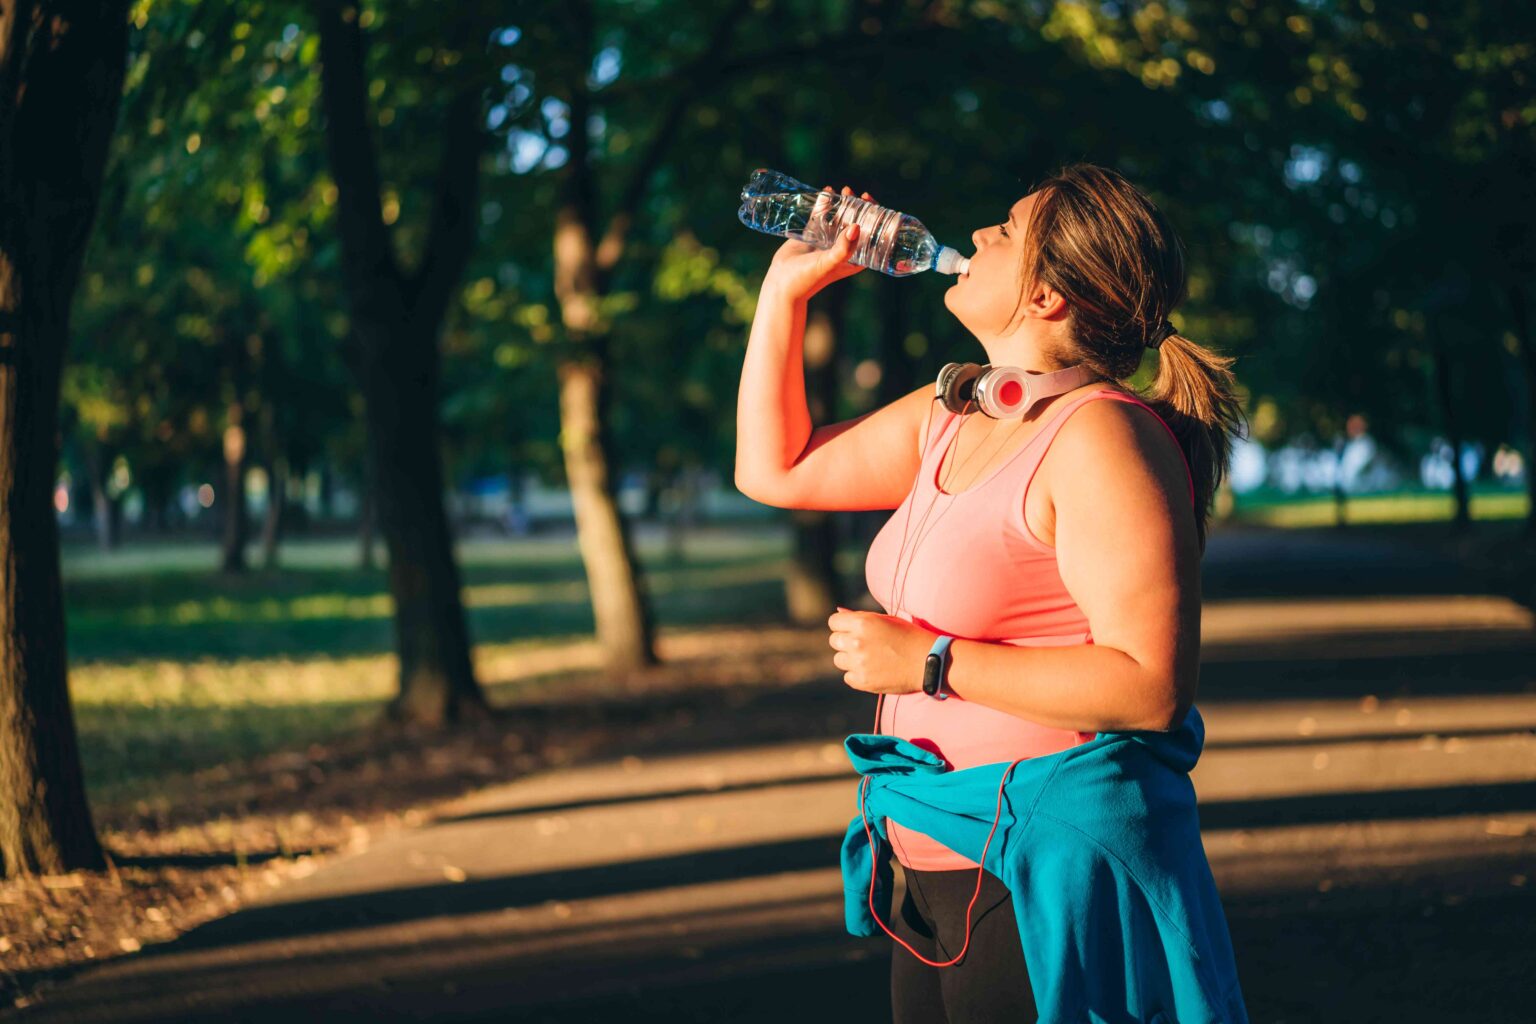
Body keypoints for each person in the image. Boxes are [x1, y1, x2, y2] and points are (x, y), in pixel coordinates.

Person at [734, 162, 1246, 1022]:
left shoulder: (1103, 437)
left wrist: (931, 663)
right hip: (932, 861)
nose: (975, 237)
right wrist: (786, 293)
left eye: (1005, 231)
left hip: (1042, 868)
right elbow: (774, 469)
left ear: (1047, 295)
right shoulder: (956, 417)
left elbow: (1150, 687)